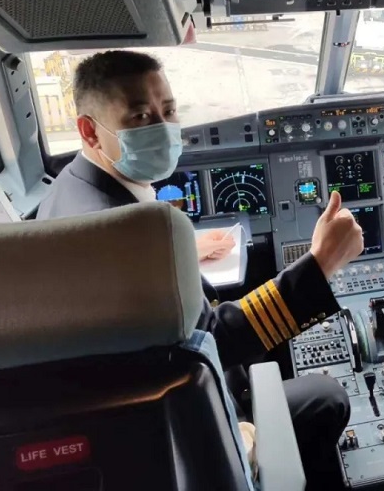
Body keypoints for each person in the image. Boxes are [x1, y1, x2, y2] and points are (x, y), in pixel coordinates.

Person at [36, 50, 362, 488]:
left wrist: (182, 247)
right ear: (89, 130)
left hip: (136, 409)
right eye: (140, 116)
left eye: (168, 110)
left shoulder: (71, 189)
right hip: (187, 419)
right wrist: (321, 265)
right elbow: (210, 343)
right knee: (328, 395)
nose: (163, 127)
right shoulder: (128, 235)